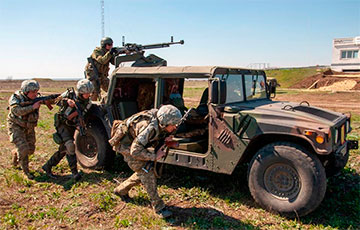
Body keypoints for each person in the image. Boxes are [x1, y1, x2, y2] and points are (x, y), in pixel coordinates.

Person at [109, 105, 182, 218]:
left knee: (143, 170)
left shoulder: (161, 121)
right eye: (173, 125)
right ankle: (158, 207)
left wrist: (166, 139)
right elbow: (135, 151)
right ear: (165, 123)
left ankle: (121, 190)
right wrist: (154, 156)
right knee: (147, 172)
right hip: (126, 146)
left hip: (135, 144)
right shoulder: (149, 128)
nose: (175, 127)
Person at [42, 79, 94, 181]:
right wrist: (66, 101)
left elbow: (83, 115)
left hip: (72, 125)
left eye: (89, 93)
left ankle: (47, 166)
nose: (88, 95)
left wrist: (79, 124)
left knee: (63, 149)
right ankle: (74, 173)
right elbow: (55, 100)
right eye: (85, 93)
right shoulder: (70, 95)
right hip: (62, 124)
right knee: (70, 146)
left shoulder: (88, 103)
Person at [7, 80, 44, 179]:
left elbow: (52, 100)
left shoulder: (36, 98)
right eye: (33, 92)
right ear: (26, 91)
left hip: (29, 126)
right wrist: (32, 107)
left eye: (36, 92)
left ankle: (16, 153)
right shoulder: (16, 98)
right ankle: (25, 172)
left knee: (30, 150)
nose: (35, 94)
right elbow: (16, 111)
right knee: (24, 149)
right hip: (16, 126)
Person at [85, 37, 116, 101]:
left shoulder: (108, 53)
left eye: (111, 45)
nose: (111, 46)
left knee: (111, 89)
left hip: (102, 76)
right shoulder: (97, 51)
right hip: (93, 75)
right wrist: (110, 53)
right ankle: (91, 107)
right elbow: (102, 60)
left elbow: (114, 62)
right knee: (94, 92)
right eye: (109, 45)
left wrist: (116, 54)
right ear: (104, 45)